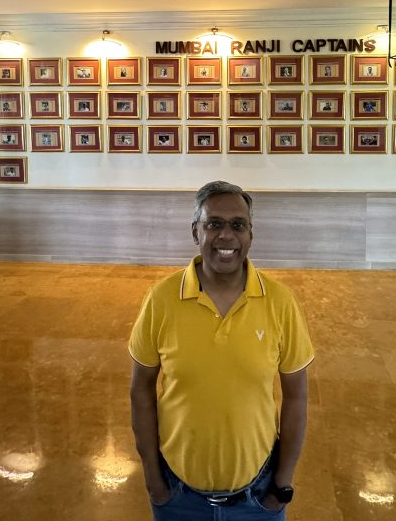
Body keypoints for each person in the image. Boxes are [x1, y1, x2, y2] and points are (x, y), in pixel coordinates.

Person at [129, 181, 314, 520]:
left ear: (250, 235)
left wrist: (282, 484)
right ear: (195, 232)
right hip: (177, 496)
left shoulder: (281, 302)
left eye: (238, 225)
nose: (226, 235)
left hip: (259, 498)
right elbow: (141, 389)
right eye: (213, 223)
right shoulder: (161, 300)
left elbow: (297, 396)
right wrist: (154, 481)